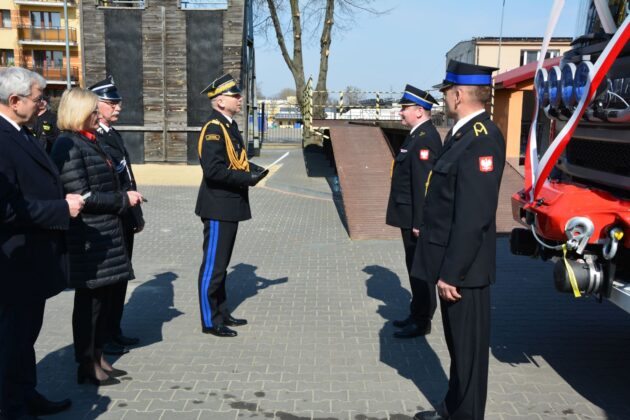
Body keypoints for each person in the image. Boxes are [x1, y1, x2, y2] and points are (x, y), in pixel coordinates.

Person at [412, 61, 505, 420]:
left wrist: (452, 272)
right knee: (458, 351)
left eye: (446, 92)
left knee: (468, 355)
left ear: (458, 94)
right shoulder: (462, 133)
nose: (444, 98)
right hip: (453, 265)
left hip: (465, 272)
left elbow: (474, 216)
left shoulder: (482, 138)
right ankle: (453, 409)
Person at [0, 67, 81, 419]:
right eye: (37, 98)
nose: (43, 104)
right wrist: (60, 208)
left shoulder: (22, 131)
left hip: (32, 261)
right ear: (14, 101)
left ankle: (25, 392)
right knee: (10, 341)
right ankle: (11, 404)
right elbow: (6, 209)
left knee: (25, 338)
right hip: (13, 262)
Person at [50, 88, 144, 387]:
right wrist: (122, 200)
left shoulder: (90, 140)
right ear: (79, 113)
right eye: (93, 110)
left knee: (103, 303)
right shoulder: (68, 143)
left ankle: (99, 356)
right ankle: (86, 364)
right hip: (89, 238)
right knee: (89, 306)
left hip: (106, 235)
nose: (97, 115)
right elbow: (82, 194)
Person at [195, 73, 268, 338]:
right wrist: (246, 178)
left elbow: (235, 160)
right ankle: (209, 319)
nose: (240, 99)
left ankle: (222, 312)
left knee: (222, 266)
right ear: (220, 101)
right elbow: (213, 171)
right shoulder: (213, 129)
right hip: (217, 206)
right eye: (235, 96)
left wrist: (254, 170)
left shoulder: (229, 126)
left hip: (229, 205)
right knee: (213, 266)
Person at [89, 76, 144, 356]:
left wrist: (136, 216)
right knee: (110, 281)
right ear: (96, 105)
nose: (118, 107)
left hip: (124, 214)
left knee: (121, 277)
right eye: (112, 103)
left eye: (118, 102)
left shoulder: (112, 133)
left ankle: (114, 329)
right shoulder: (93, 136)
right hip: (110, 216)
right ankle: (104, 335)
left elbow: (128, 177)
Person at [386, 85, 442, 339]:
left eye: (405, 109)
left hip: (414, 219)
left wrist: (421, 221)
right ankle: (416, 312)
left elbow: (424, 185)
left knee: (420, 269)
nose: (400, 113)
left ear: (419, 111)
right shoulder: (416, 135)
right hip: (407, 216)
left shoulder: (425, 138)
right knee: (413, 267)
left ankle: (422, 320)